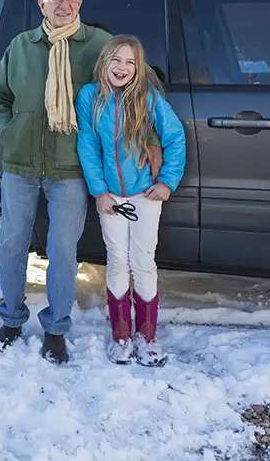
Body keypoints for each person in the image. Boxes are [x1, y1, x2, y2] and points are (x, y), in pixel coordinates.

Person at [0, 0, 112, 363]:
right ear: (42, 4)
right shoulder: (22, 45)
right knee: (11, 246)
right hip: (20, 164)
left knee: (61, 250)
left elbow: (129, 84)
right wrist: (9, 131)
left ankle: (56, 328)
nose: (64, 5)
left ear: (81, 3)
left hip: (69, 167)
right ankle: (10, 318)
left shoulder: (98, 45)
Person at [75, 35, 186, 367]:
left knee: (143, 262)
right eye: (116, 60)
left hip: (145, 195)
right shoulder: (90, 97)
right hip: (112, 198)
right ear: (104, 62)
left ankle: (146, 338)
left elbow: (175, 137)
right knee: (117, 262)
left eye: (130, 63)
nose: (122, 68)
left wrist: (167, 182)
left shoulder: (148, 99)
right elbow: (88, 145)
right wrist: (99, 192)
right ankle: (121, 336)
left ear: (139, 69)